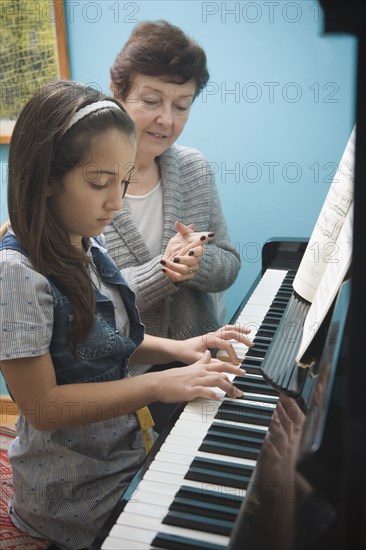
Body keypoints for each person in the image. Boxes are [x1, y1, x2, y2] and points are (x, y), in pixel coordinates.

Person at [0, 80, 253, 550]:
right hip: (73, 496)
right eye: (99, 183)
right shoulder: (14, 276)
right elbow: (43, 407)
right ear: (46, 178)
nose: (115, 202)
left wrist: (181, 347)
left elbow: (105, 338)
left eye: (121, 181)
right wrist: (159, 383)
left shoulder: (84, 243)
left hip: (123, 460)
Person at [105, 19, 241, 347]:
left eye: (181, 106)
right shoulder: (87, 179)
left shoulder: (194, 168)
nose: (167, 119)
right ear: (117, 91)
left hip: (196, 353)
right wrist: (164, 271)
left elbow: (230, 264)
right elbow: (84, 300)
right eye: (151, 101)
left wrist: (198, 263)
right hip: (122, 370)